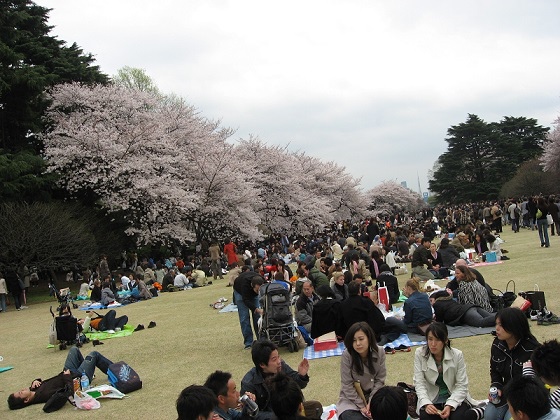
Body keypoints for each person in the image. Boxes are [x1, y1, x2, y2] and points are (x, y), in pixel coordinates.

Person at [7, 346, 113, 410]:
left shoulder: (34, 389)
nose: (22, 390)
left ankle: (87, 373)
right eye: (21, 393)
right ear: (26, 400)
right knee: (94, 355)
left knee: (74, 350)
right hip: (76, 381)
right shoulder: (44, 395)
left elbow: (46, 382)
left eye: (19, 390)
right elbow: (68, 391)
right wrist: (67, 376)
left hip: (67, 373)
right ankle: (117, 373)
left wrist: (36, 381)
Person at [485, 307, 541, 420]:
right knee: (489, 416)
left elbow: (539, 382)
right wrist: (496, 386)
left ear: (514, 326)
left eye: (501, 325)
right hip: (506, 393)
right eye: (496, 324)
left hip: (525, 398)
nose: (497, 328)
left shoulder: (533, 349)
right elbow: (494, 370)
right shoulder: (497, 344)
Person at [413, 322, 474, 419]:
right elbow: (419, 383)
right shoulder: (420, 353)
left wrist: (450, 405)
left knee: (458, 417)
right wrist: (426, 403)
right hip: (431, 399)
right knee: (427, 417)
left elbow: (462, 385)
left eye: (437, 340)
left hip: (454, 396)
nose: (433, 344)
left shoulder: (457, 355)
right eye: (430, 339)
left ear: (445, 340)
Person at [240, 340, 309, 413]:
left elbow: (298, 384)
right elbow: (252, 413)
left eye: (278, 357)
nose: (279, 361)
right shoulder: (249, 383)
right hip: (270, 416)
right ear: (262, 364)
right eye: (274, 359)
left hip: (287, 411)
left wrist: (301, 375)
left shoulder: (281, 366)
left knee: (315, 406)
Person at [337, 322, 386, 420]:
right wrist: (362, 406)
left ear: (369, 338)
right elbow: (347, 385)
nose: (358, 343)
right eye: (354, 340)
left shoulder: (380, 351)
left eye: (361, 339)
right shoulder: (347, 355)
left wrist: (371, 402)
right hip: (352, 399)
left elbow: (380, 380)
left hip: (374, 395)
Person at [430, 290, 495, 328]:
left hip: (465, 313)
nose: (431, 303)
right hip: (471, 307)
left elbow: (439, 321)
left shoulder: (437, 304)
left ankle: (503, 317)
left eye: (431, 300)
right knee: (492, 316)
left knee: (481, 323)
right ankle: (502, 316)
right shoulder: (450, 300)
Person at [233, 271, 264, 349]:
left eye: (260, 290)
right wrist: (256, 309)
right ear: (252, 286)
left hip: (250, 292)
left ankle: (260, 339)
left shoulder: (262, 281)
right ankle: (248, 342)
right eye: (257, 290)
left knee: (257, 317)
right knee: (244, 317)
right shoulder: (245, 285)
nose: (258, 292)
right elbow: (246, 300)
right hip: (240, 292)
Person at [526, 339, 560, 410]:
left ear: (552, 375)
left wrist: (528, 375)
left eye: (539, 375)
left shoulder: (556, 399)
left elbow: (536, 411)